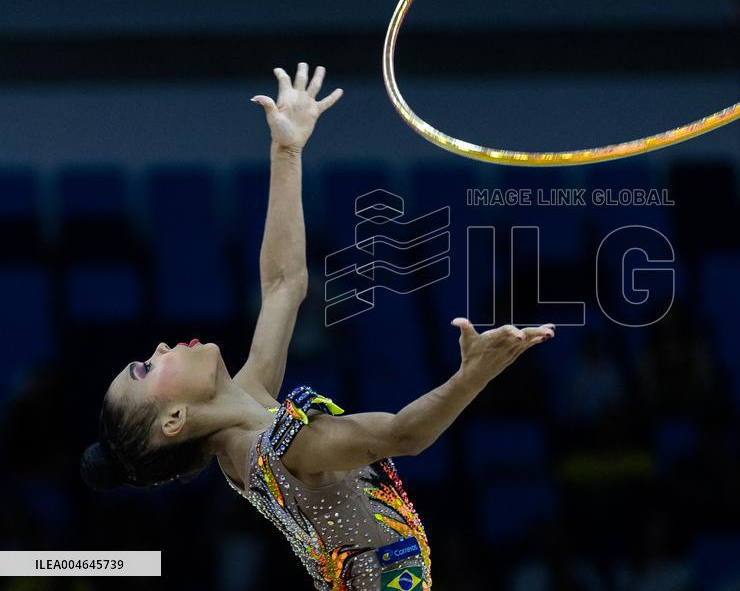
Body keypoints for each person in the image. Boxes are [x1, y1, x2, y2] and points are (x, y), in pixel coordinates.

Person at [79, 63, 556, 590]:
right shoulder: (282, 449)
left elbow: (284, 283)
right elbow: (403, 435)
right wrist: (472, 376)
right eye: (146, 369)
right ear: (173, 420)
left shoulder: (250, 412)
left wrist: (287, 152)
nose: (161, 347)